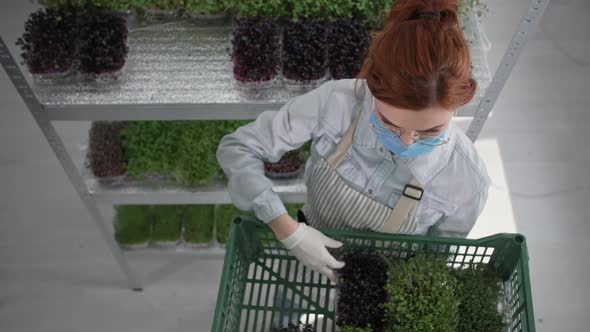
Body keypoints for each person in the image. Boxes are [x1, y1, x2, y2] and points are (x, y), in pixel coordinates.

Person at [216, 0, 490, 282]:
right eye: (389, 124)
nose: (407, 142)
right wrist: (287, 230)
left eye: (430, 131)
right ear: (371, 84)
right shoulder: (338, 103)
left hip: (384, 288)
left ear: (459, 105)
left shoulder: (467, 181)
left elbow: (434, 261)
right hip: (304, 253)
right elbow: (238, 147)